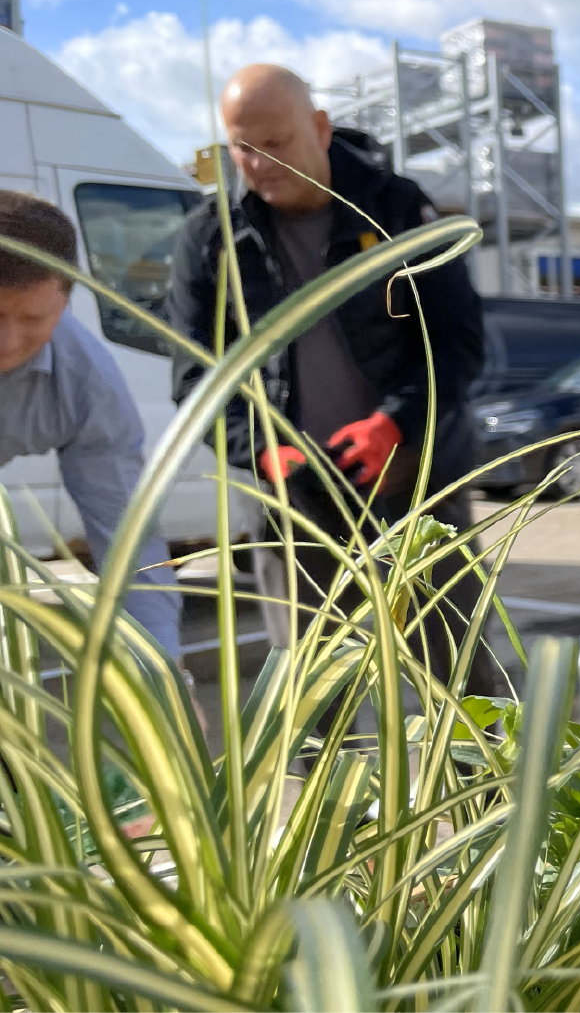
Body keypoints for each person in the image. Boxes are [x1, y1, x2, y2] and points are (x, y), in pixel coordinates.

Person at [167, 64, 502, 699]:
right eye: (241, 146)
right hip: (291, 495)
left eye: (276, 143)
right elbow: (195, 381)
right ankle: (328, 796)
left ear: (319, 129)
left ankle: (477, 794)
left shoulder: (398, 208)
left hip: (413, 476)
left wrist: (398, 422)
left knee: (455, 667)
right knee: (312, 684)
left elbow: (458, 344)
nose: (258, 164)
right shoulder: (209, 239)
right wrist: (260, 450)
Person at [0, 190, 180, 660]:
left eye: (32, 319)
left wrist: (165, 683)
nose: (7, 342)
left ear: (65, 303)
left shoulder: (86, 381)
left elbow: (130, 546)